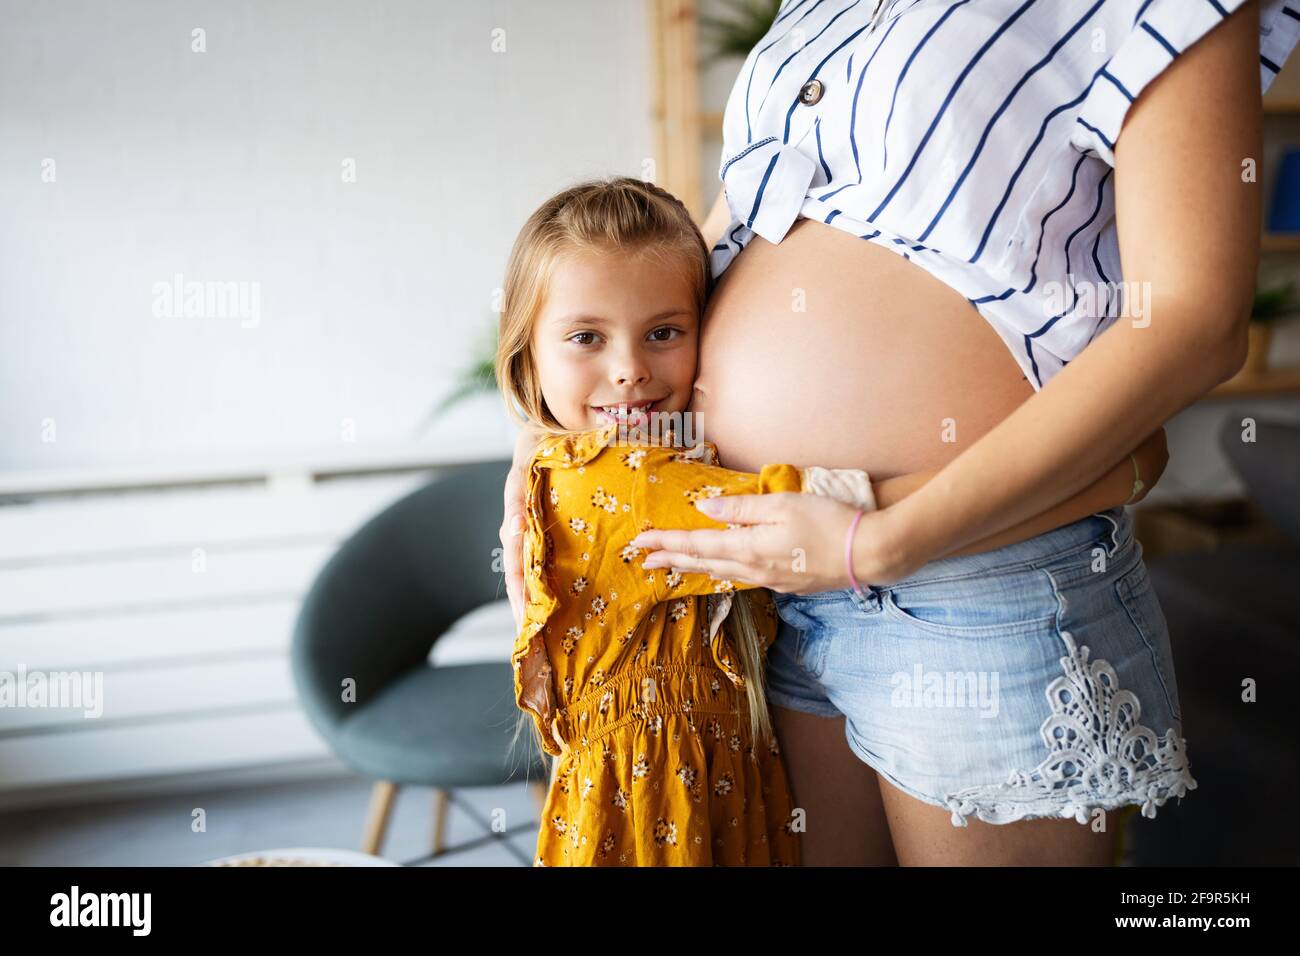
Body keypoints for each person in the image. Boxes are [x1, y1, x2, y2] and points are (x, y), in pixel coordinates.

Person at [498, 173, 1169, 865]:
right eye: (585, 338)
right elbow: (800, 511)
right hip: (659, 799)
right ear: (527, 353)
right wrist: (1099, 474)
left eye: (664, 331)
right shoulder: (620, 481)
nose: (630, 369)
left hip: (708, 768)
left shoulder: (647, 448)